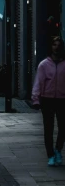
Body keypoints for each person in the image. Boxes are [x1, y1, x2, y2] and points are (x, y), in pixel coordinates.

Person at [31, 36, 65, 167]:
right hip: (48, 100)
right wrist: (36, 99)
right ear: (50, 47)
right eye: (54, 45)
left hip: (62, 100)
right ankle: (50, 155)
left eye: (59, 45)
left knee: (63, 128)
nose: (56, 47)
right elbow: (38, 82)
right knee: (48, 129)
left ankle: (58, 150)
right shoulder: (44, 65)